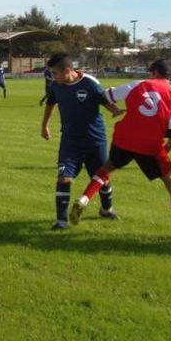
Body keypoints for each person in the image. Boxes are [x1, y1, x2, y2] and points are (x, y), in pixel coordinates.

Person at [69, 59, 171, 242]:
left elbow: (105, 95)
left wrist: (114, 104)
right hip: (150, 144)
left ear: (155, 73)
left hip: (124, 138)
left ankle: (84, 199)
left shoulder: (138, 84)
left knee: (107, 168)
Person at [41, 53, 121, 230]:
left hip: (95, 140)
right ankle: (62, 222)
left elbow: (103, 99)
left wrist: (113, 109)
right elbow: (50, 104)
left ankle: (106, 210)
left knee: (101, 178)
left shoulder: (89, 83)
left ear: (67, 70)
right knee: (64, 178)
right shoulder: (56, 86)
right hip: (70, 141)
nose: (53, 77)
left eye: (55, 73)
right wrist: (44, 126)